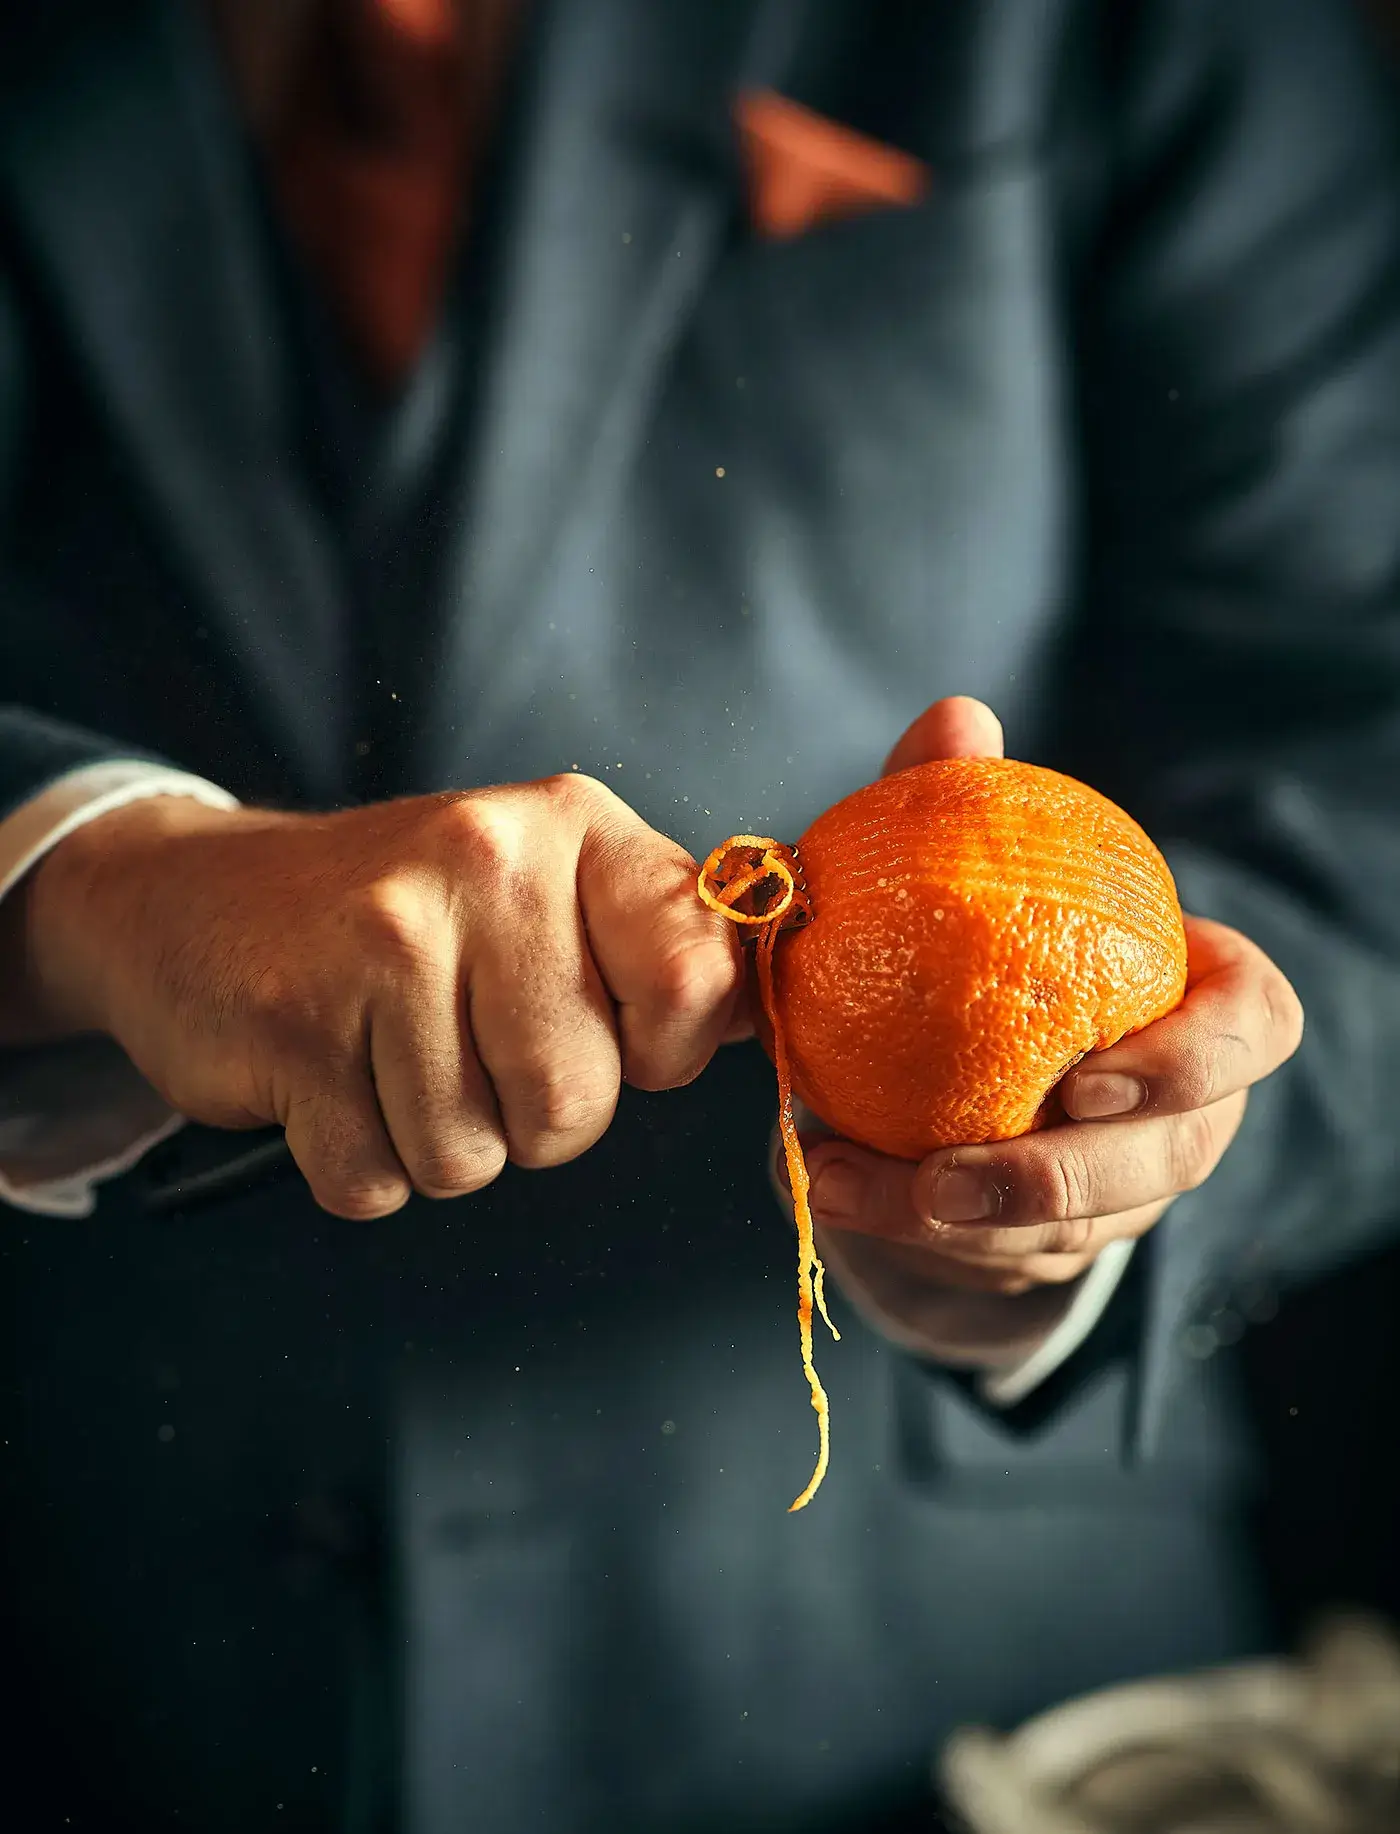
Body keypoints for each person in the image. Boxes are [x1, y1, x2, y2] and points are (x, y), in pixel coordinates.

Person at [1, 0, 1399, 1829]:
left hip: (927, 1691)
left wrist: (1109, 1172)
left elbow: (1363, 741)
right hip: (93, 1664)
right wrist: (91, 877)